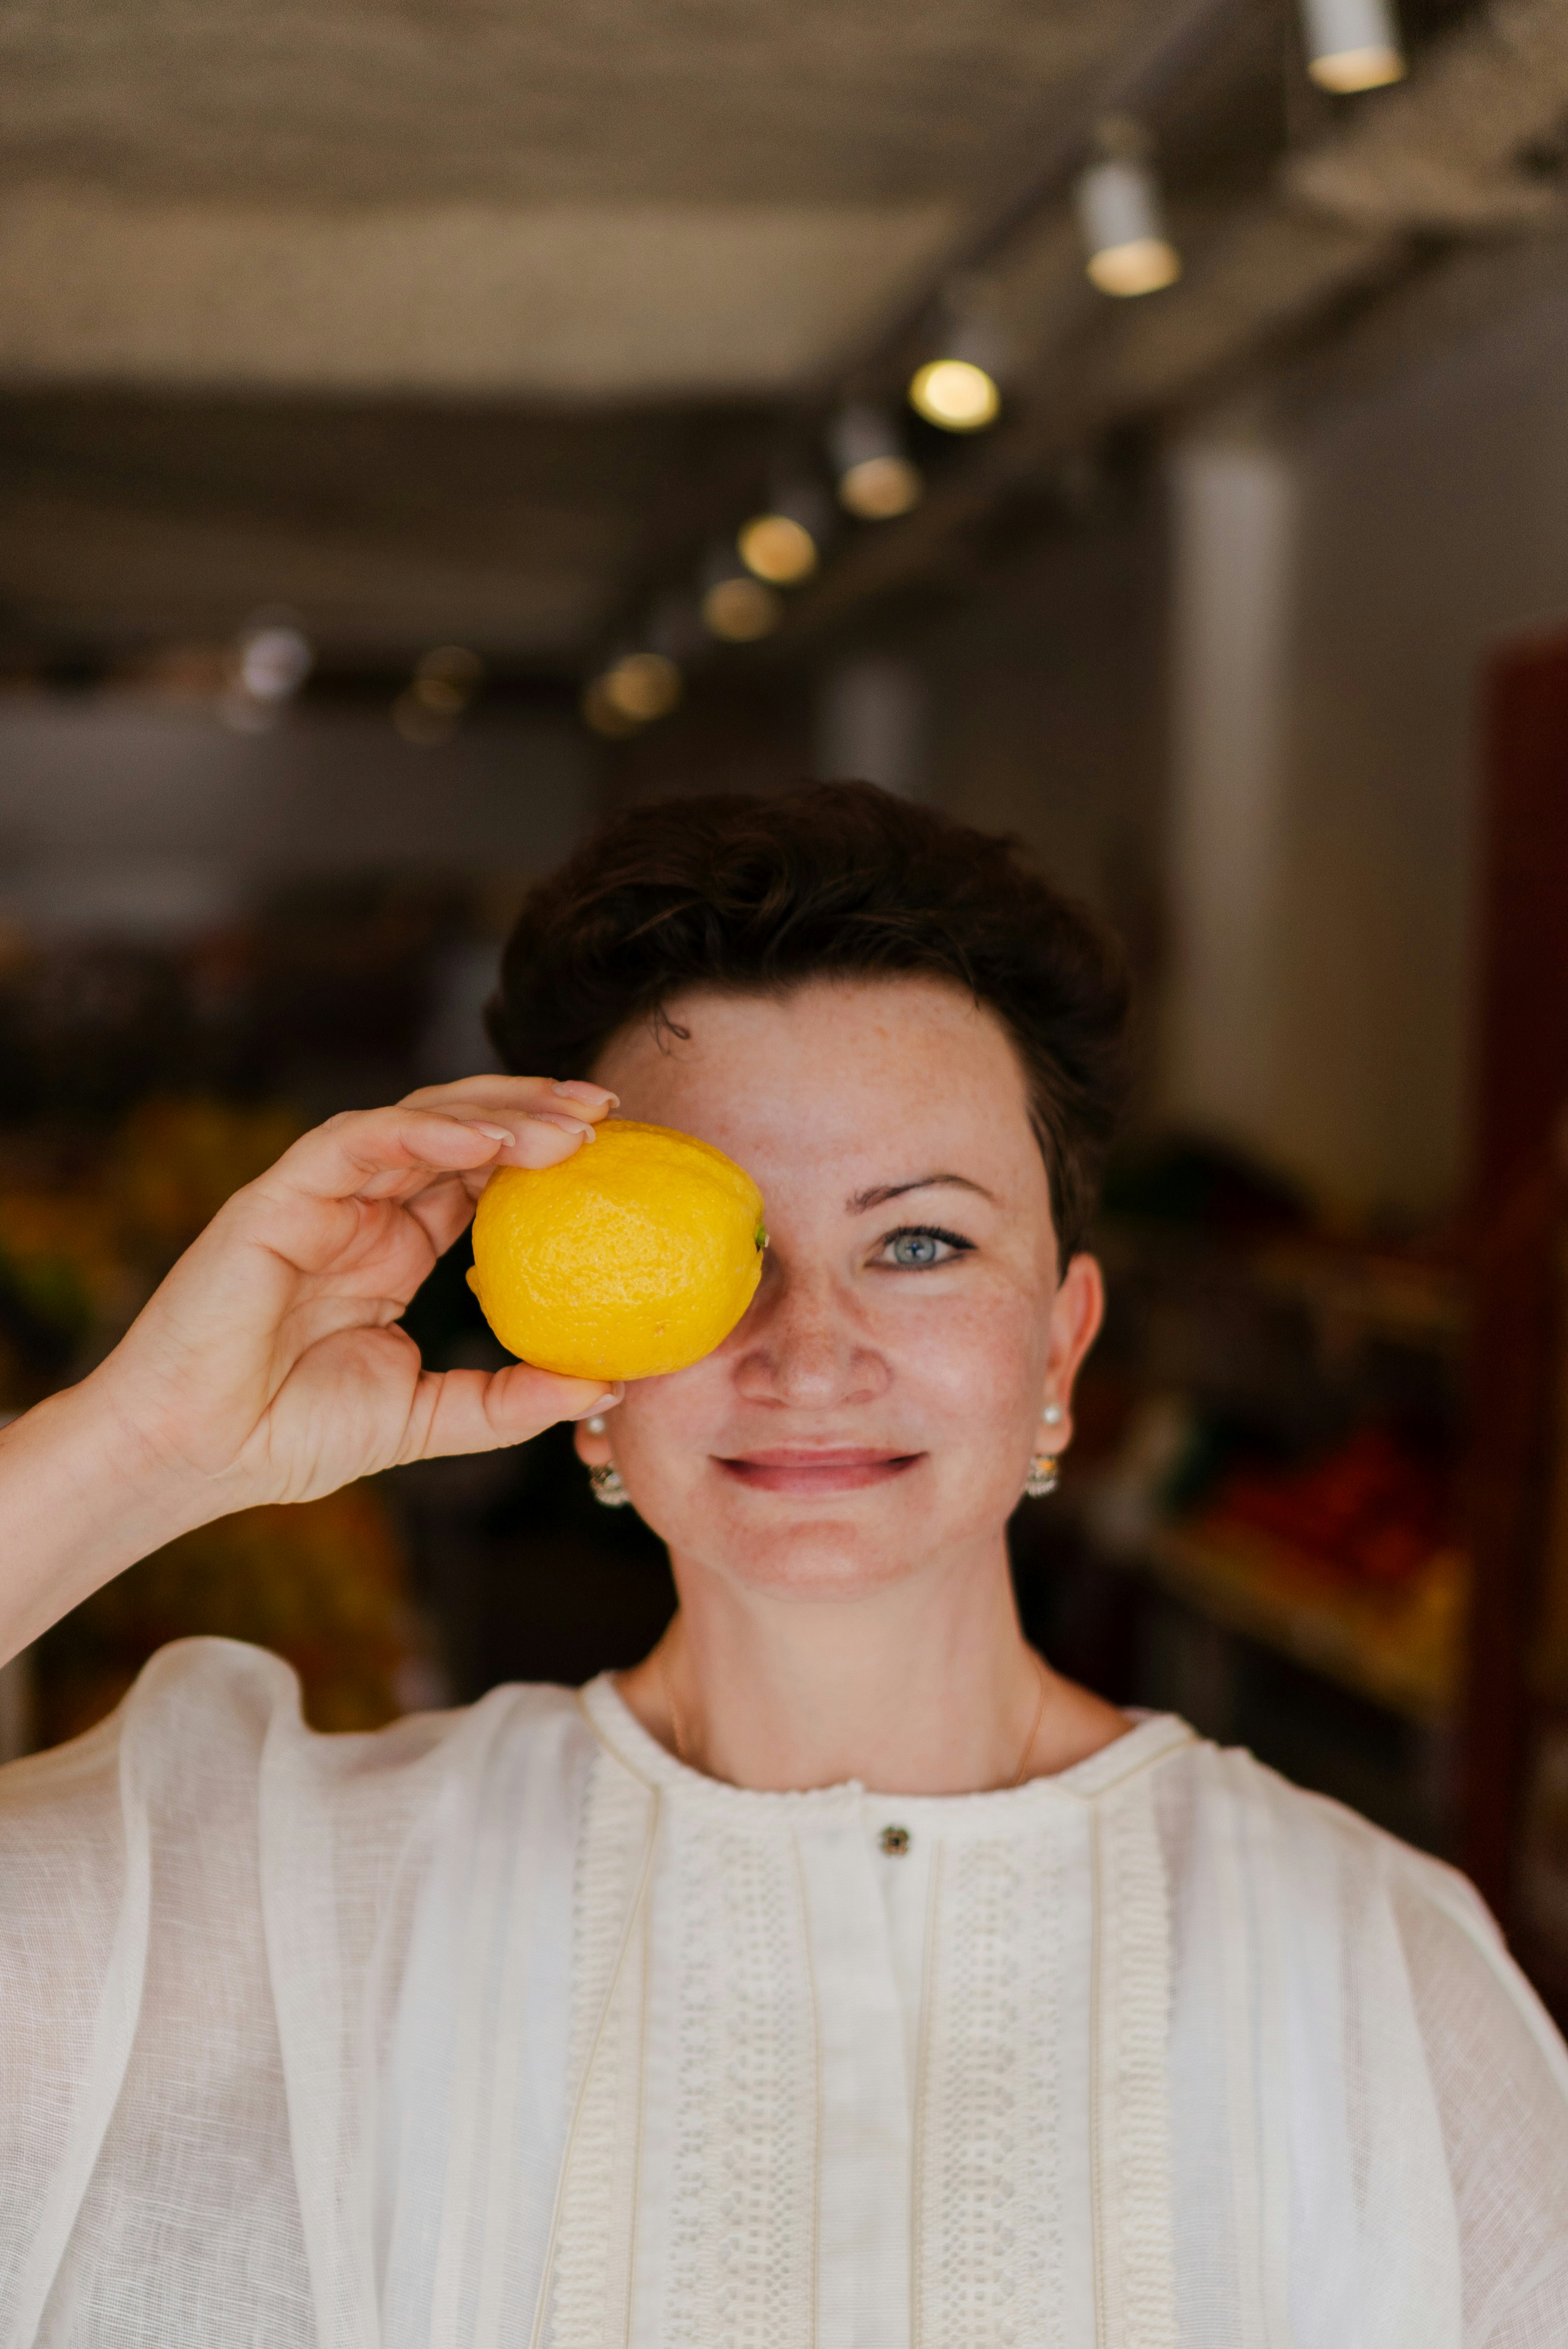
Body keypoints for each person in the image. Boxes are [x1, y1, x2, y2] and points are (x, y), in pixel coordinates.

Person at [0, 782, 1564, 2349]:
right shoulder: (291, 1909)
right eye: (714, 1250)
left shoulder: (1369, 1969)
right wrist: (148, 1443)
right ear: (581, 1362)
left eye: (923, 1242)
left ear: (1063, 1350)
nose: (810, 1351)